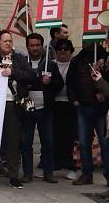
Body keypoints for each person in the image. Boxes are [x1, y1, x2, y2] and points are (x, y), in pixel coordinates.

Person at [0, 30, 36, 189]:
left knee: (13, 141)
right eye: (5, 41)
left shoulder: (19, 59)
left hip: (13, 104)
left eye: (10, 41)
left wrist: (14, 72)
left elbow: (32, 76)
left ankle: (13, 176)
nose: (8, 43)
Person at [20, 33, 62, 184]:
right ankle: (27, 173)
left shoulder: (50, 64)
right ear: (27, 47)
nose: (35, 48)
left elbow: (59, 85)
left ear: (42, 46)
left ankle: (48, 172)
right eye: (32, 45)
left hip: (45, 108)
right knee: (25, 141)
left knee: (47, 141)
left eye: (37, 45)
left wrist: (50, 82)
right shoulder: (22, 62)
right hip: (27, 107)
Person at [66, 42, 109, 186]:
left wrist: (103, 93)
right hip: (83, 106)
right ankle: (86, 174)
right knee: (84, 142)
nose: (86, 44)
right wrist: (74, 100)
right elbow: (70, 82)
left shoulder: (105, 58)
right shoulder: (77, 60)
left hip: (101, 108)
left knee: (104, 143)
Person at [51, 39, 77, 179]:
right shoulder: (51, 64)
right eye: (59, 49)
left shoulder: (74, 64)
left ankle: (69, 163)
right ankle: (54, 162)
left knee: (69, 135)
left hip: (70, 103)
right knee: (54, 134)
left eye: (66, 49)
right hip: (55, 102)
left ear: (71, 51)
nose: (62, 51)